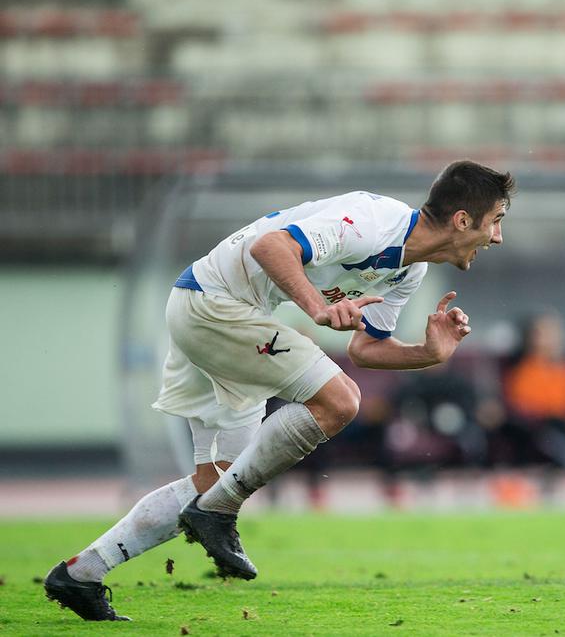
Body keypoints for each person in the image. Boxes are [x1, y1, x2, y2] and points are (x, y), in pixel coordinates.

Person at [43, 160, 514, 621]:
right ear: (462, 220)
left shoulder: (409, 270)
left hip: (212, 310)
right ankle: (219, 513)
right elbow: (271, 246)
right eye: (495, 222)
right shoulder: (374, 222)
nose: (498, 237)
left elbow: (368, 347)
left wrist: (429, 353)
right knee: (340, 400)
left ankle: (81, 574)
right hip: (216, 306)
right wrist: (318, 308)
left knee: (215, 478)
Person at [500, 311, 565, 478]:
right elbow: (524, 405)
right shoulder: (523, 369)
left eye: (555, 333)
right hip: (541, 427)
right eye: (544, 333)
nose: (551, 339)